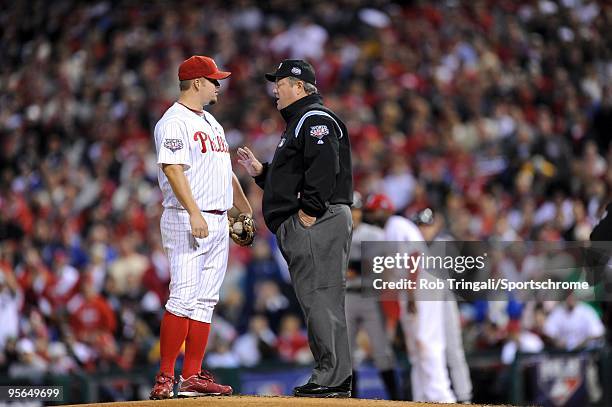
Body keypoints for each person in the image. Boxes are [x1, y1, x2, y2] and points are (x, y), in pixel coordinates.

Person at [237, 59, 353, 397]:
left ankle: (331, 377)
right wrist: (263, 173)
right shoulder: (300, 122)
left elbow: (324, 164)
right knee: (320, 300)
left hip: (318, 221)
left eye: (282, 82)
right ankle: (334, 377)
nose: (276, 89)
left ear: (299, 87)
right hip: (315, 221)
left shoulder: (313, 118)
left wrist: (309, 211)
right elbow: (297, 173)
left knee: (321, 299)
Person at [150, 55, 252, 399]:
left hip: (217, 218)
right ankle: (165, 376)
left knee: (206, 300)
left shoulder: (212, 122)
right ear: (196, 83)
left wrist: (243, 208)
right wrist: (194, 212)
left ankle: (192, 375)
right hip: (185, 217)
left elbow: (223, 171)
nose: (218, 85)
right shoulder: (173, 121)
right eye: (213, 80)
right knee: (182, 297)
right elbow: (172, 169)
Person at [365, 194, 456, 403]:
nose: (372, 215)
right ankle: (423, 397)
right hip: (412, 289)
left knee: (427, 342)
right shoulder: (390, 229)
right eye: (370, 211)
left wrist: (412, 293)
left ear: (386, 209)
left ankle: (443, 397)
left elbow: (414, 257)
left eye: (374, 210)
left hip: (421, 286)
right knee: (416, 349)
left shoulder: (396, 224)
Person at [346, 192, 398, 399]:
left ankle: (397, 400)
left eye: (357, 210)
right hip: (347, 296)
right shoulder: (336, 232)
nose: (354, 214)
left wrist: (355, 267)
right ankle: (353, 402)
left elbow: (380, 266)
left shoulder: (374, 233)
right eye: (351, 209)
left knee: (382, 352)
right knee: (347, 356)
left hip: (371, 296)